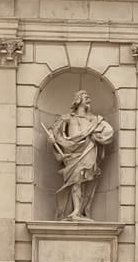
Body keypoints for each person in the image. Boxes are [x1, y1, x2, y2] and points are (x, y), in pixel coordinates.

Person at [43, 90, 115, 220]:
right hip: (71, 152)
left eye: (89, 97)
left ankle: (79, 210)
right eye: (86, 97)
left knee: (83, 179)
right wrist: (52, 139)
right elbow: (52, 130)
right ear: (78, 100)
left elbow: (109, 131)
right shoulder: (67, 118)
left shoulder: (94, 119)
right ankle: (75, 211)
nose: (89, 100)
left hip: (88, 150)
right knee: (76, 181)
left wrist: (97, 136)